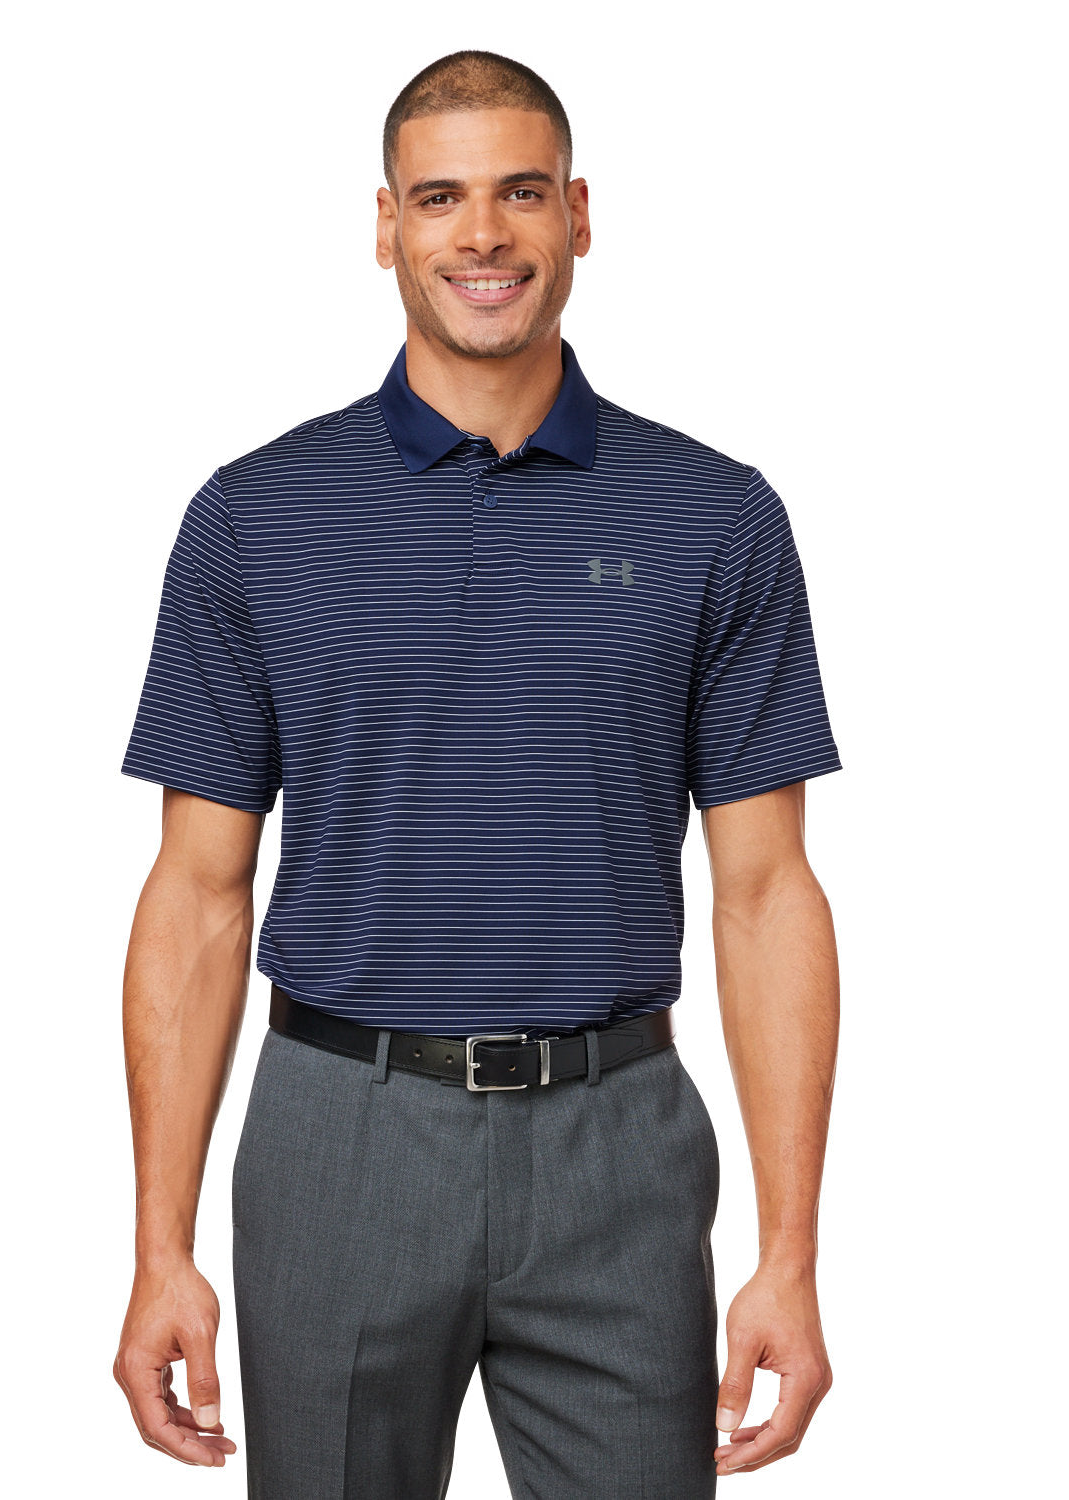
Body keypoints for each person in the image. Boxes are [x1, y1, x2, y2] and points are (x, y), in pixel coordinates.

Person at [112, 48, 842, 1498]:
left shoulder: (716, 516)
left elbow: (767, 894)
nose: (483, 234)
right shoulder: (255, 516)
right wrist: (158, 1249)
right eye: (440, 198)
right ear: (386, 225)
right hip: (338, 1136)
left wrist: (791, 1256)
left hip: (619, 1144)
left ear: (580, 214)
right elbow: (197, 893)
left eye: (521, 192)